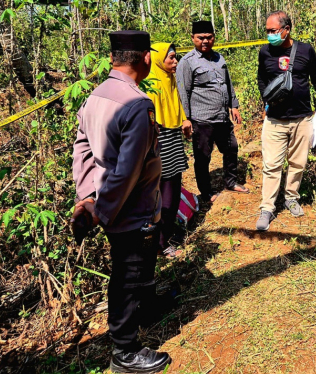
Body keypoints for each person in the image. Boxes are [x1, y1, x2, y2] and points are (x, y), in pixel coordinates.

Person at [71, 31, 172, 373]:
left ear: (113, 58)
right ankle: (125, 350)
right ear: (146, 59)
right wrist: (102, 211)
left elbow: (81, 148)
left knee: (140, 262)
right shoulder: (137, 104)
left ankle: (148, 305)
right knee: (128, 272)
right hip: (131, 207)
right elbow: (129, 171)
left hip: (110, 201)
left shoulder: (96, 96)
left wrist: (86, 196)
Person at [255, 10, 316, 231]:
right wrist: (266, 99)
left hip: (302, 119)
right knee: (272, 165)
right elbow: (261, 78)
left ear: (286, 30)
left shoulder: (306, 50)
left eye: (273, 31)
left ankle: (291, 198)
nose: (269, 35)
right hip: (275, 121)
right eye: (267, 31)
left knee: (298, 163)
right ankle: (267, 208)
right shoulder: (265, 52)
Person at [177, 20, 249, 202]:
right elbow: (182, 91)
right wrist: (186, 119)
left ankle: (230, 182)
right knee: (203, 157)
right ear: (193, 38)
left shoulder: (219, 58)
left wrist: (233, 105)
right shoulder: (187, 62)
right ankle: (206, 191)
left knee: (231, 148)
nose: (205, 41)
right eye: (200, 38)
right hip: (202, 119)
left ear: (214, 38)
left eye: (209, 37)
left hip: (222, 116)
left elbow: (228, 82)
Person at [146, 42, 191, 258]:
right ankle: (159, 243)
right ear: (158, 59)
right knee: (161, 193)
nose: (175, 61)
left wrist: (183, 119)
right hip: (158, 138)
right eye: (171, 57)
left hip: (172, 135)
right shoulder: (149, 82)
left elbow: (177, 103)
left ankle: (165, 239)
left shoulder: (170, 78)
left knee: (172, 189)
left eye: (176, 57)